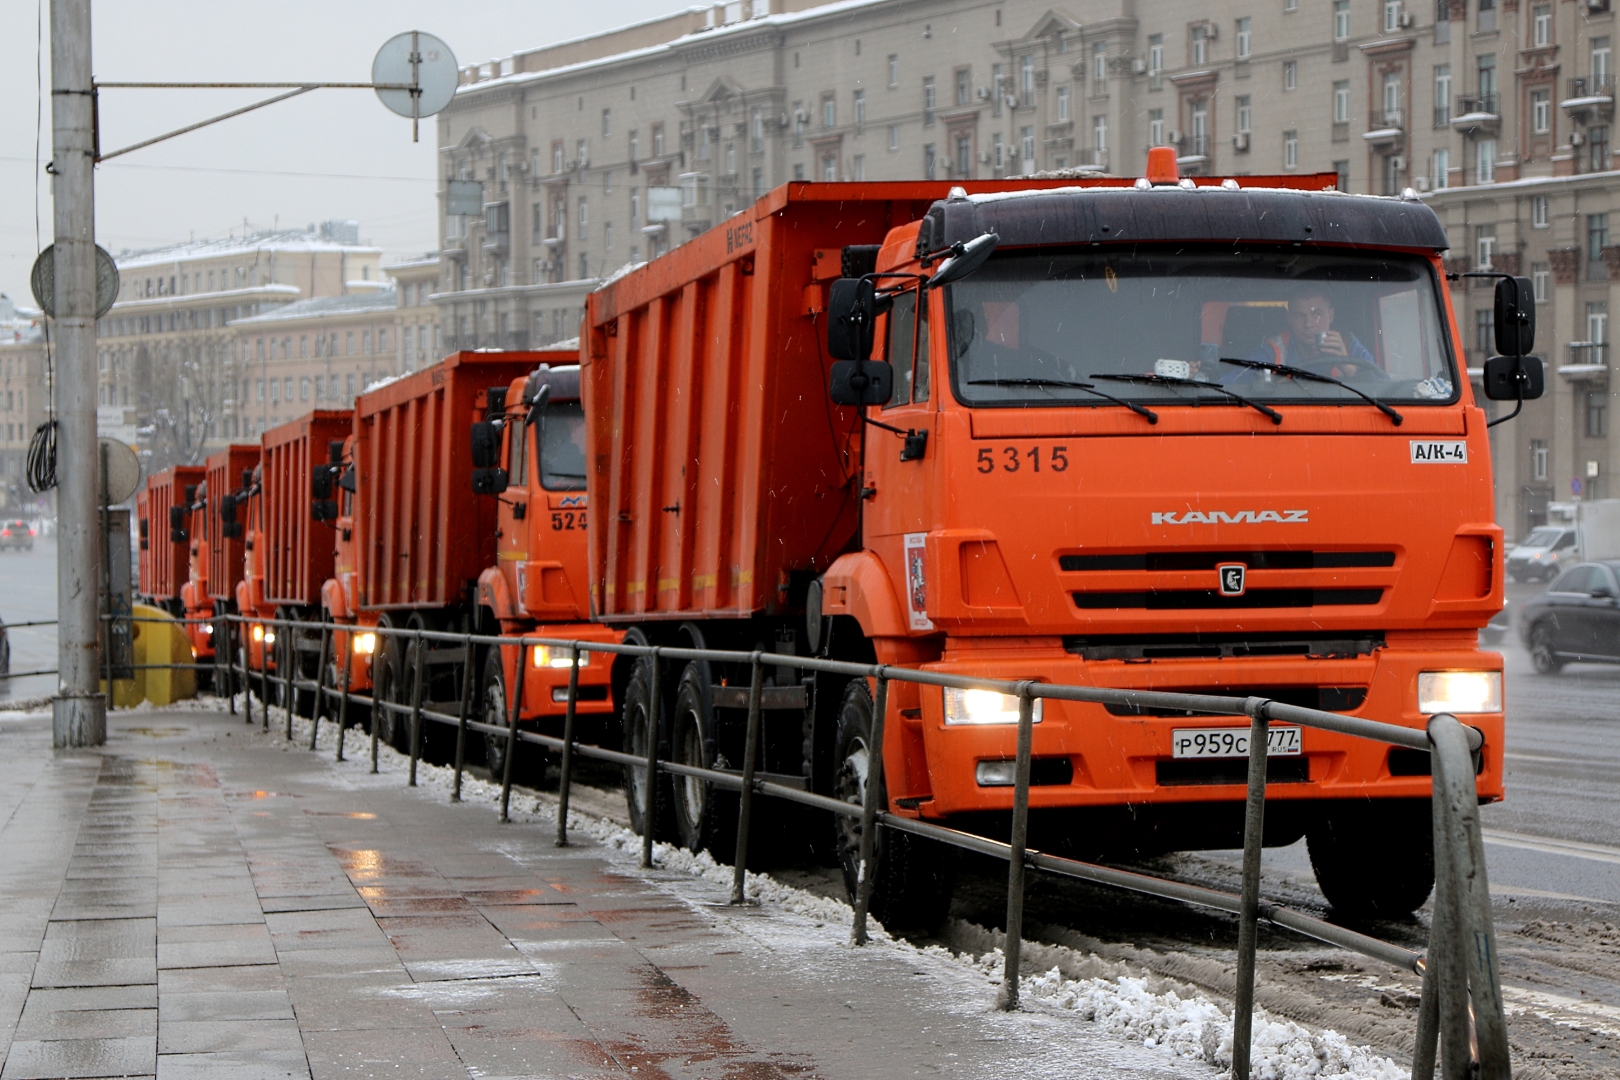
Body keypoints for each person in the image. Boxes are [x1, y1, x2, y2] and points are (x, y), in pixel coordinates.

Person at [1248, 289, 1375, 375]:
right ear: (1289, 319)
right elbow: (1233, 386)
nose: (1308, 324)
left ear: (1331, 315)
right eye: (1299, 316)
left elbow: (1384, 385)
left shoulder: (1348, 344)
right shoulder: (1272, 351)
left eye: (1317, 314)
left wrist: (1348, 367)